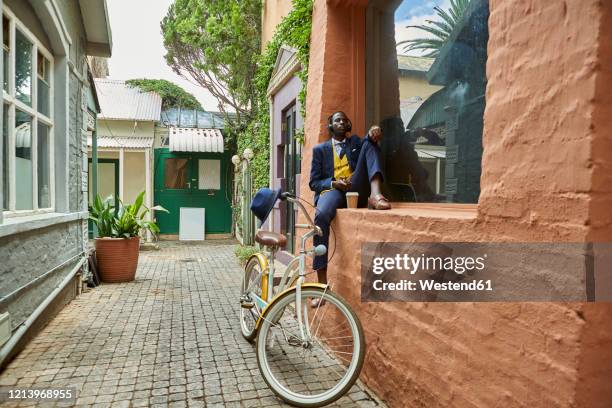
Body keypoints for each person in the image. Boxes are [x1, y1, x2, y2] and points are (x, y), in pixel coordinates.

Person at [309, 111, 390, 299]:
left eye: (344, 120)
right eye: (337, 120)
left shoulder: (354, 143)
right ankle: (321, 284)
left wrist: (371, 133)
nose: (341, 122)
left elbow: (368, 141)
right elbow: (314, 183)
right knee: (321, 216)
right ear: (330, 125)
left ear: (348, 125)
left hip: (356, 187)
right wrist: (333, 183)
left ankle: (375, 195)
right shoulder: (320, 150)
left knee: (371, 145)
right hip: (334, 190)